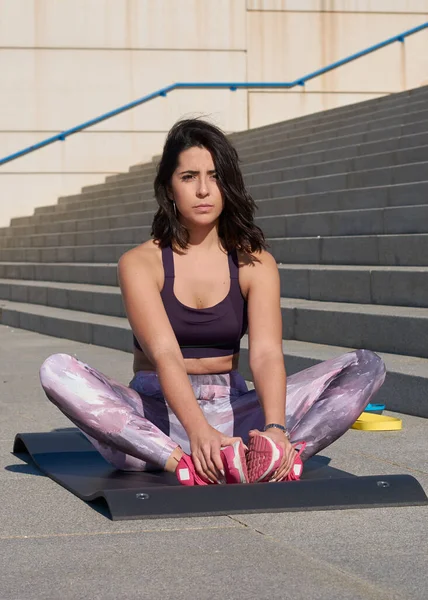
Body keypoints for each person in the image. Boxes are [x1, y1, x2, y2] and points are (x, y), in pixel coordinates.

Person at [39, 118, 386, 486]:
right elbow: (165, 354)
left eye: (214, 176)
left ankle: (279, 454)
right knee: (56, 369)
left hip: (235, 414)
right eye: (189, 177)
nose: (204, 190)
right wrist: (198, 430)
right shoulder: (140, 263)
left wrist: (275, 427)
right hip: (159, 421)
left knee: (367, 366)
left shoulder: (256, 262)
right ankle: (184, 463)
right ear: (169, 188)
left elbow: (267, 353)